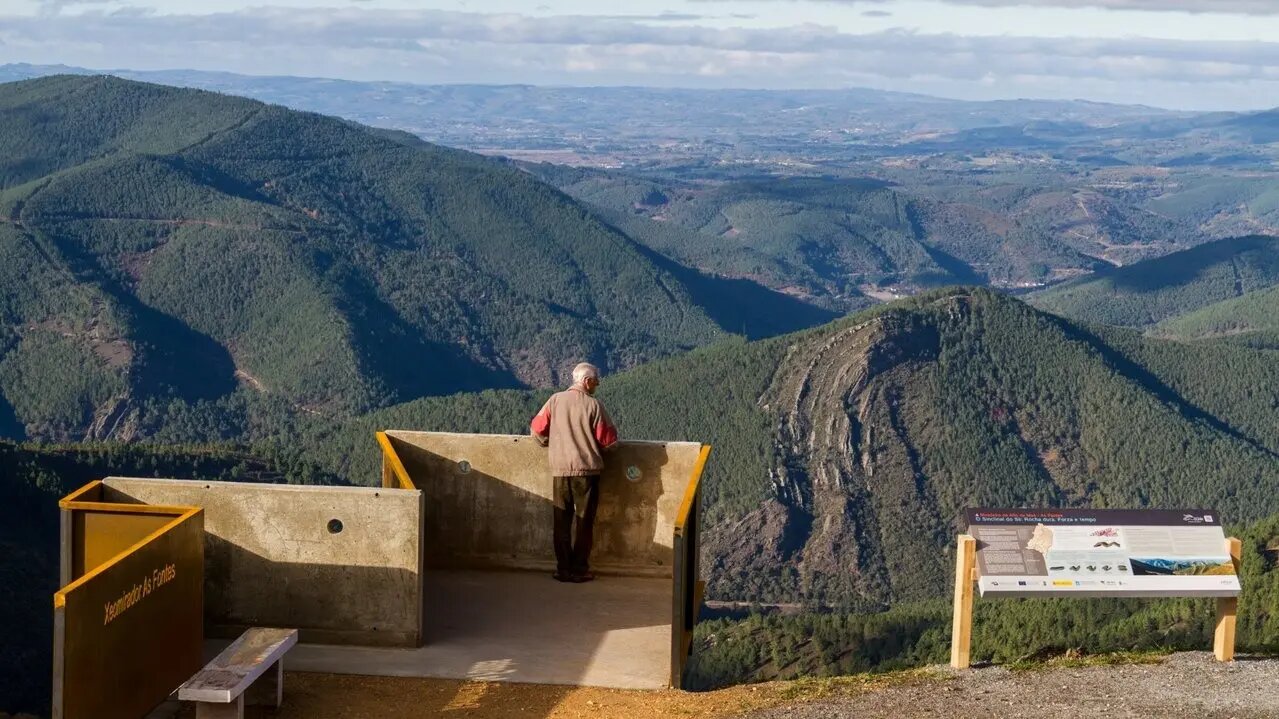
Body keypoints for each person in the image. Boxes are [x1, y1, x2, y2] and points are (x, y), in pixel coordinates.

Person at [529, 362, 619, 583]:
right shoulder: (593, 405)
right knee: (584, 522)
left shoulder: (555, 400)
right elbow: (609, 441)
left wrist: (549, 444)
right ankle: (579, 569)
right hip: (586, 473)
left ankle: (563, 569)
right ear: (586, 381)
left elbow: (537, 429)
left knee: (561, 521)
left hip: (560, 471)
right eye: (596, 380)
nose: (597, 383)